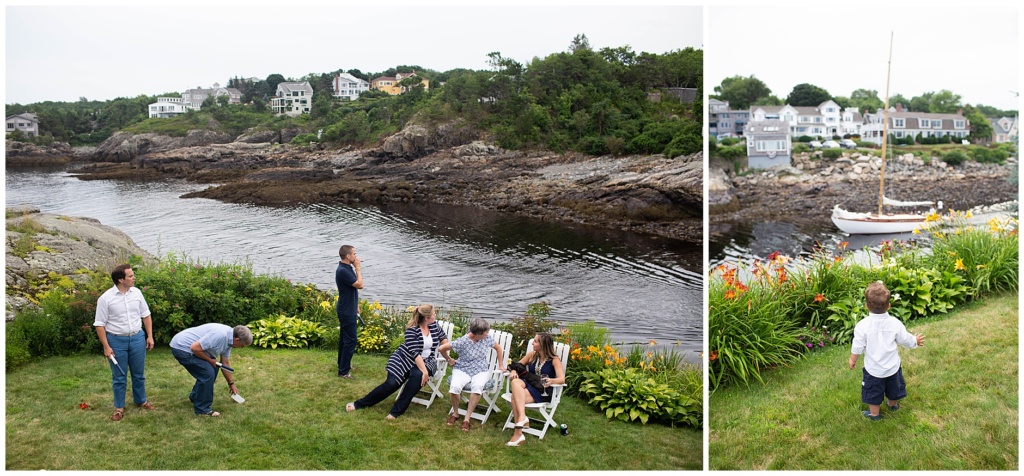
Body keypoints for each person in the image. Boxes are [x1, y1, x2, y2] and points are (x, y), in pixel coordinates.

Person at [346, 304, 449, 420]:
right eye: (434, 314)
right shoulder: (412, 330)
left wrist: (446, 353)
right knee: (391, 384)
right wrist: (425, 372)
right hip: (404, 359)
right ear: (426, 318)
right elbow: (415, 354)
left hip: (427, 361)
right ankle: (359, 404)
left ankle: (396, 412)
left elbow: (443, 338)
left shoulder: (434, 326)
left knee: (417, 376)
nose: (435, 315)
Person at [848, 281, 926, 421]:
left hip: (874, 369)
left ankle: (874, 414)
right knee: (893, 388)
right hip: (892, 367)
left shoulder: (862, 326)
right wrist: (915, 340)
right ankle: (892, 405)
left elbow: (858, 346)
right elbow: (905, 339)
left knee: (873, 391)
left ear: (866, 306)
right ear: (889, 306)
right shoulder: (894, 323)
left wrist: (853, 359)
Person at [94, 264, 155, 422]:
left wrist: (149, 336)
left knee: (138, 374)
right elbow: (99, 324)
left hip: (136, 338)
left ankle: (141, 400)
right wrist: (106, 347)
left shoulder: (137, 293)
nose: (134, 278)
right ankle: (119, 407)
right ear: (120, 279)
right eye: (130, 276)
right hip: (116, 340)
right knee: (119, 376)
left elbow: (146, 315)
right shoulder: (106, 299)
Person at [170, 323, 253, 417]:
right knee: (207, 373)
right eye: (242, 346)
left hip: (192, 348)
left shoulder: (229, 341)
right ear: (237, 340)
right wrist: (209, 360)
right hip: (181, 347)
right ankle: (202, 409)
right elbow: (194, 348)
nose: (241, 348)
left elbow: (225, 363)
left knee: (213, 368)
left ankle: (196, 397)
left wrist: (231, 384)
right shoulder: (221, 335)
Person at [438, 317, 505, 431]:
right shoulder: (462, 341)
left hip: (481, 369)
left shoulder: (487, 338)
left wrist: (501, 365)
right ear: (477, 334)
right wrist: (449, 359)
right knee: (454, 387)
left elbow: (498, 348)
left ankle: (467, 419)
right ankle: (455, 413)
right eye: (485, 332)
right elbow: (441, 348)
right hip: (462, 368)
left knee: (477, 386)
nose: (487, 334)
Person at [506, 332, 565, 446]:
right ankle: (523, 417)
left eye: (535, 341)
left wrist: (552, 381)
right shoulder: (532, 355)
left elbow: (562, 379)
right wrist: (513, 371)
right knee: (515, 381)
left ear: (543, 344)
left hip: (542, 391)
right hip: (528, 384)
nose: (532, 343)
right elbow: (516, 365)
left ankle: (518, 434)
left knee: (514, 398)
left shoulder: (554, 360)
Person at [336, 244, 363, 379]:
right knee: (350, 340)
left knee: (344, 338)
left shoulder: (346, 268)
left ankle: (342, 364)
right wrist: (358, 268)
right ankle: (343, 371)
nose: (356, 257)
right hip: (346, 310)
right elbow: (360, 285)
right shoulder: (343, 270)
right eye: (354, 254)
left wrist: (356, 304)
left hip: (349, 307)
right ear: (348, 256)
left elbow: (352, 289)